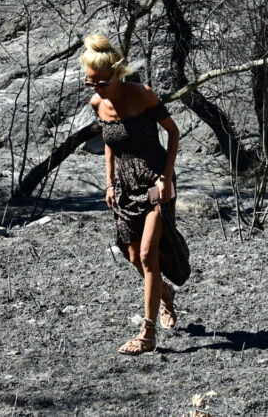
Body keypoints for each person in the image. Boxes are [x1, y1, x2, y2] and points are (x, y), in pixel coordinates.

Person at [81, 34, 190, 354]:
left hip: (155, 181)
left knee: (147, 255)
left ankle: (148, 333)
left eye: (100, 83)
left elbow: (173, 132)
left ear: (117, 74)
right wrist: (110, 183)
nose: (96, 89)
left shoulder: (143, 95)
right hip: (125, 187)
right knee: (132, 256)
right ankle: (164, 293)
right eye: (90, 84)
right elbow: (110, 144)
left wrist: (166, 179)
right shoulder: (97, 104)